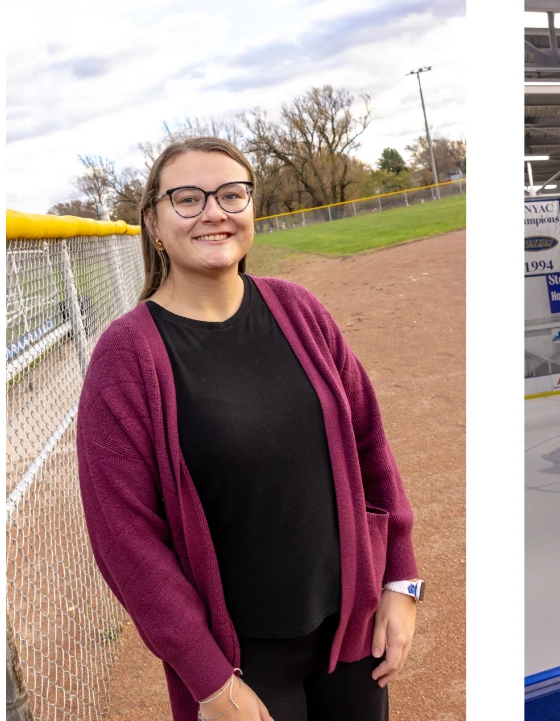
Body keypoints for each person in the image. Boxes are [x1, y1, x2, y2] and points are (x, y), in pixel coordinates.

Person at [75, 136, 423, 721]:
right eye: (187, 198)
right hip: (240, 664)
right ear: (153, 222)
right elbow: (125, 538)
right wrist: (208, 681)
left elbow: (370, 447)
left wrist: (401, 580)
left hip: (352, 634)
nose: (214, 212)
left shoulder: (300, 311)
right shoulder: (127, 356)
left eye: (231, 194)